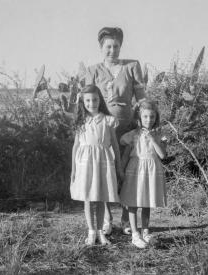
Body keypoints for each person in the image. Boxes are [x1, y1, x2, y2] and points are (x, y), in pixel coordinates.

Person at [85, 27, 146, 235]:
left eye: (116, 46)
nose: (112, 50)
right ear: (101, 47)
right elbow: (87, 102)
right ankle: (107, 220)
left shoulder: (131, 66)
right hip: (103, 131)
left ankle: (126, 221)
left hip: (127, 128)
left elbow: (141, 97)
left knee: (128, 173)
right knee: (106, 173)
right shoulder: (93, 70)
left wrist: (145, 122)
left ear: (121, 46)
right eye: (108, 46)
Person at [70, 85, 124, 245]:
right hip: (85, 164)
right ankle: (91, 232)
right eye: (87, 100)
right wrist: (73, 170)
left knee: (100, 198)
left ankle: (101, 232)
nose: (91, 103)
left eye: (94, 99)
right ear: (83, 102)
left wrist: (118, 165)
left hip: (103, 162)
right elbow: (75, 146)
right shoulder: (81, 121)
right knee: (88, 198)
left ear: (100, 100)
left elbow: (114, 144)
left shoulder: (108, 120)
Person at [120, 100, 167, 248]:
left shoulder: (160, 135)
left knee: (147, 202)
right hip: (135, 170)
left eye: (152, 116)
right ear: (139, 118)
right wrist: (120, 172)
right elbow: (126, 156)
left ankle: (145, 231)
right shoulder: (133, 135)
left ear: (156, 117)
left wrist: (153, 138)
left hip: (151, 171)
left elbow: (162, 155)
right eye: (145, 116)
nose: (149, 120)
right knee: (133, 203)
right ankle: (135, 234)